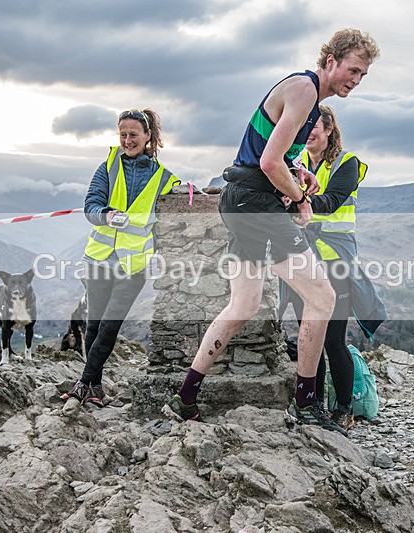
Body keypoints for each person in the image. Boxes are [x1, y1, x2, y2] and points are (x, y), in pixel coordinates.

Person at [163, 29, 380, 434]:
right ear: (330, 60)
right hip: (257, 204)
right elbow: (267, 163)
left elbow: (273, 155)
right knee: (322, 297)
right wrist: (300, 199)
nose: (356, 80)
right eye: (353, 70)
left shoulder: (308, 100)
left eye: (363, 75)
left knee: (243, 305)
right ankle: (306, 403)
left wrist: (297, 172)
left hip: (240, 201)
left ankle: (185, 396)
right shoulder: (304, 90)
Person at [62, 108, 180, 406]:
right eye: (123, 135)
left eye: (133, 135)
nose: (128, 140)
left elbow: (182, 205)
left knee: (110, 326)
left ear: (147, 136)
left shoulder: (164, 178)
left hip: (133, 265)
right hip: (99, 258)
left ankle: (82, 384)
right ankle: (95, 387)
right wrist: (105, 214)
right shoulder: (108, 166)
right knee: (94, 325)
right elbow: (91, 205)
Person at [280, 105, 386, 431]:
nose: (309, 130)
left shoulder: (346, 163)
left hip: (335, 262)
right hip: (301, 260)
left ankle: (344, 408)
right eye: (305, 123)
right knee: (307, 337)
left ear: (329, 129)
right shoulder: (295, 163)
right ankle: (315, 405)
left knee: (332, 341)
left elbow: (331, 201)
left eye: (315, 125)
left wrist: (296, 201)